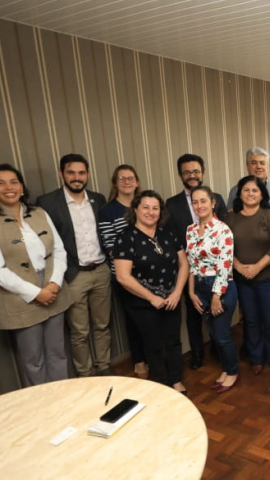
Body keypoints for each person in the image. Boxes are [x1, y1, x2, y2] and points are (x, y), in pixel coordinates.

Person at [0, 164, 72, 386]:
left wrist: (54, 284)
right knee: (32, 359)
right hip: (19, 294)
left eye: (14, 182)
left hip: (53, 288)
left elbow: (59, 250)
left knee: (58, 352)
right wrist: (36, 293)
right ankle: (41, 403)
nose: (9, 187)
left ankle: (63, 397)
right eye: (0, 183)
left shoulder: (39, 213)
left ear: (22, 186)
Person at [37, 153, 111, 377]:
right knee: (79, 330)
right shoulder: (47, 203)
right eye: (71, 172)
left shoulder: (98, 199)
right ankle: (85, 374)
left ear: (87, 174)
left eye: (81, 173)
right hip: (73, 274)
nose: (77, 178)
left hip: (101, 270)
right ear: (62, 173)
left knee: (102, 325)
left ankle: (104, 367)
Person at [113, 190, 189, 394]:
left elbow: (184, 263)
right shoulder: (125, 238)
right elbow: (123, 277)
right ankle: (162, 386)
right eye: (145, 207)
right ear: (135, 209)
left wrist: (177, 292)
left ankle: (176, 380)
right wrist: (152, 298)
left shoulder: (167, 233)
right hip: (143, 303)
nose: (151, 212)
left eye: (155, 208)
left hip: (171, 298)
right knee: (154, 345)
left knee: (173, 341)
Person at [165, 153, 228, 370]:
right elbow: (172, 237)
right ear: (180, 175)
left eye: (196, 171)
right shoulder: (171, 204)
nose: (192, 176)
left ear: (203, 173)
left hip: (215, 269)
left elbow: (225, 231)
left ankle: (218, 349)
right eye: (187, 172)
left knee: (217, 312)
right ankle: (197, 353)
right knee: (193, 313)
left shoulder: (217, 198)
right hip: (189, 268)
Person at [226, 176, 270, 376]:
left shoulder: (269, 215)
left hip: (268, 279)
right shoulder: (231, 218)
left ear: (262, 195)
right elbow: (224, 246)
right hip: (242, 280)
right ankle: (256, 357)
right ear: (239, 194)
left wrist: (256, 268)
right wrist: (238, 266)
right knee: (251, 320)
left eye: (255, 190)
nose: (250, 194)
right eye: (246, 190)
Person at [186, 186, 240, 393]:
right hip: (200, 287)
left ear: (213, 203)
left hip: (221, 286)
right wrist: (191, 292)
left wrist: (217, 296)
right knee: (215, 335)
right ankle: (226, 369)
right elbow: (192, 264)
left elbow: (225, 266)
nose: (199, 205)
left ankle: (232, 371)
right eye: (195, 202)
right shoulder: (190, 230)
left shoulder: (223, 230)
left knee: (222, 334)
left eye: (203, 201)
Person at [97, 164, 146, 378]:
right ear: (115, 183)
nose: (127, 181)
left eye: (130, 178)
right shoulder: (108, 211)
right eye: (122, 178)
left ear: (137, 181)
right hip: (126, 276)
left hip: (151, 273)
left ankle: (154, 356)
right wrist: (134, 264)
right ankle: (140, 360)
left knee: (152, 319)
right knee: (134, 320)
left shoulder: (145, 205)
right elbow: (110, 246)